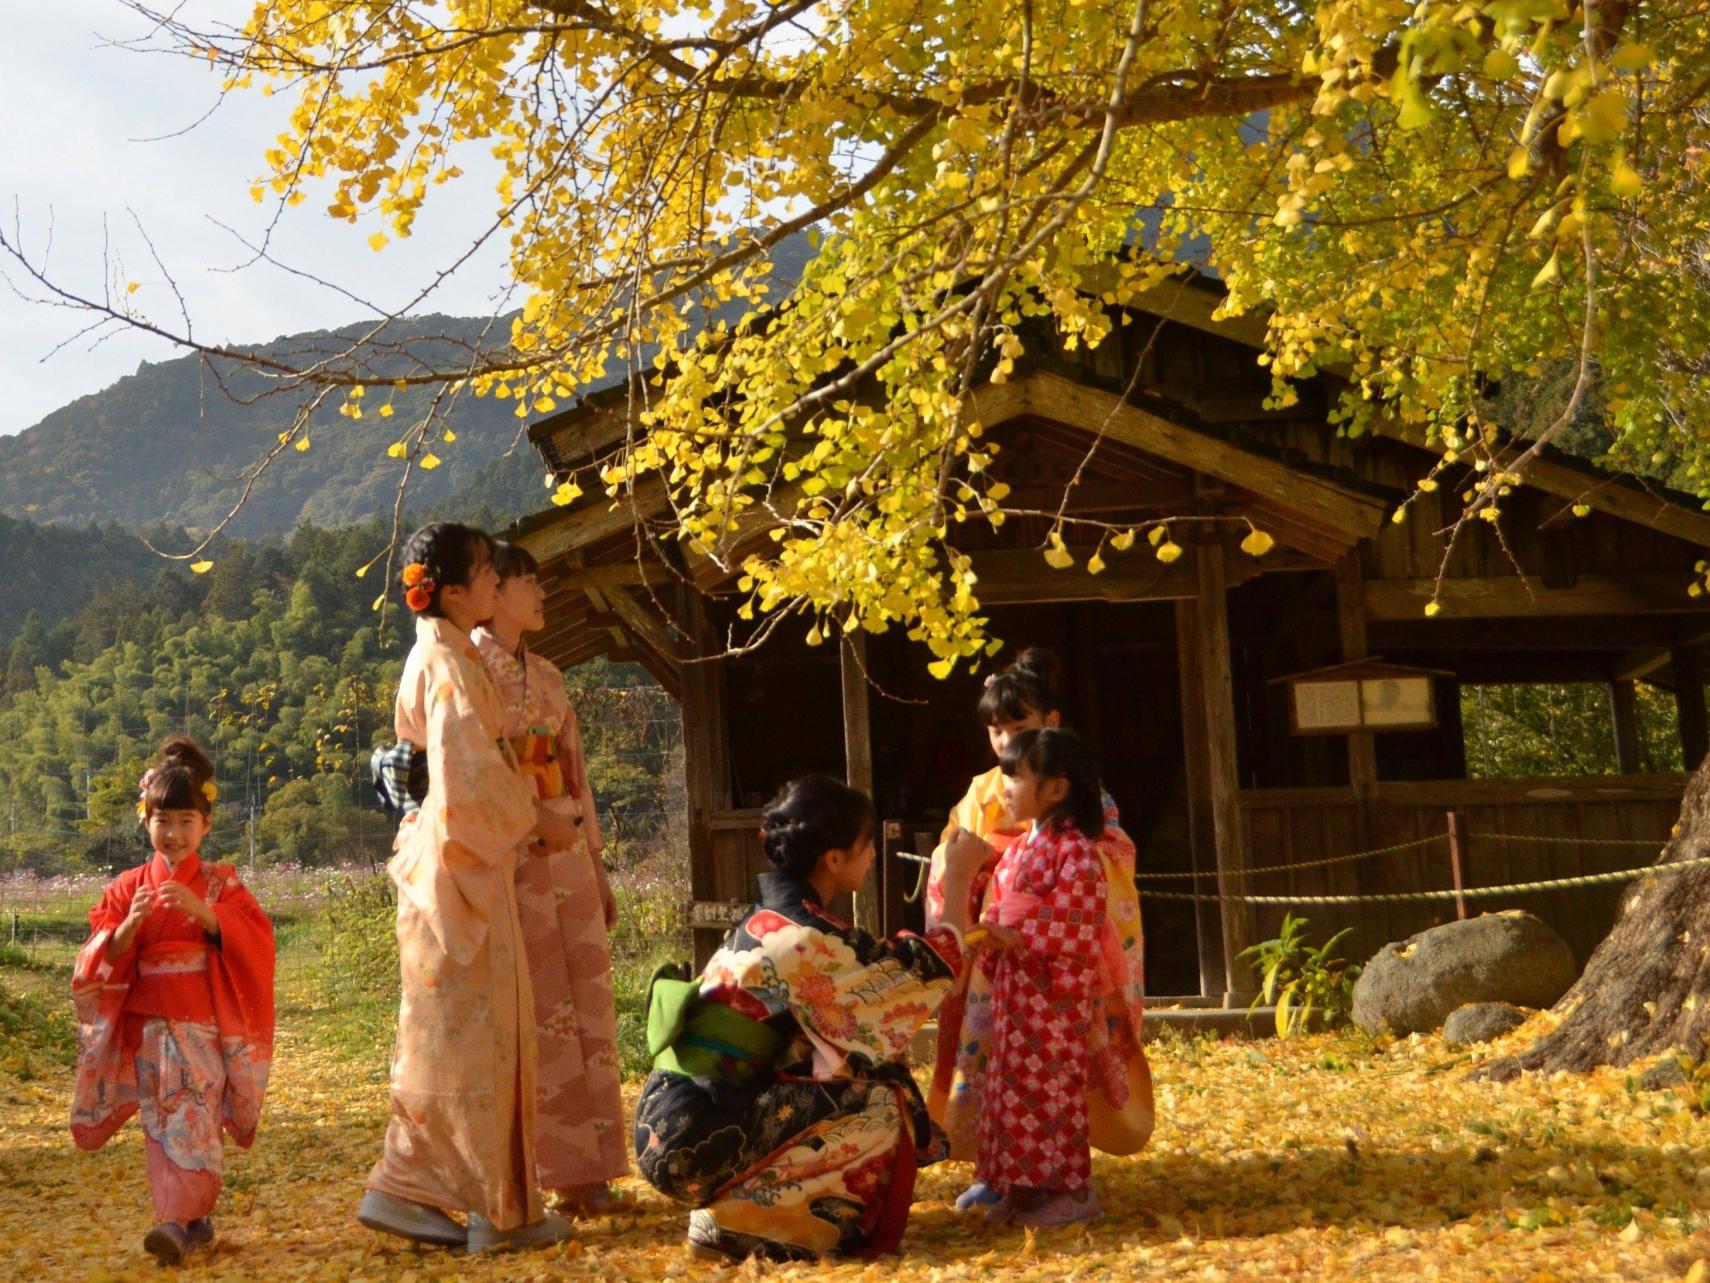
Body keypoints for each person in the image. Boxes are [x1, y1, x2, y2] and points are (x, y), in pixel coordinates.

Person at [633, 775, 987, 1262]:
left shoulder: (766, 921)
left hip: (674, 1117)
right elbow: (916, 975)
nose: (872, 856)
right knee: (882, 1104)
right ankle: (744, 1225)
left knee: (862, 1073)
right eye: (866, 846)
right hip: (696, 1132)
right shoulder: (808, 937)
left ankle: (745, 1212)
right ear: (835, 858)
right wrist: (959, 876)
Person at [357, 522, 581, 1254]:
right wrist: (538, 815)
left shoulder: (445, 653)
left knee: (446, 1040)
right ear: (452, 591)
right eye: (485, 572)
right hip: (458, 871)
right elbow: (469, 780)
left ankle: (409, 1189)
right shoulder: (448, 663)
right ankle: (488, 1209)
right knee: (476, 1042)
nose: (494, 581)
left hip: (448, 863)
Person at [925, 647, 1153, 1208]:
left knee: (1046, 1077)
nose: (1004, 742)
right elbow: (950, 856)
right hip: (993, 957)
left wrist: (1021, 918)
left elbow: (1108, 861)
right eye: (995, 730)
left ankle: (1056, 1182)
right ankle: (996, 1167)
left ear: (1051, 722)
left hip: (1053, 963)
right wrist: (964, 874)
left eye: (1017, 727)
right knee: (991, 1063)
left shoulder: (1075, 794)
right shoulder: (985, 790)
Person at [70, 736, 276, 1266]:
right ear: (146, 821)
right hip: (149, 1020)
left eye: (187, 821)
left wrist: (206, 913)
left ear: (206, 825)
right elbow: (99, 957)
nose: (175, 833)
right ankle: (173, 1220)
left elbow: (257, 944)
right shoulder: (126, 887)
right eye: (164, 821)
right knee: (162, 1119)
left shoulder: (220, 884)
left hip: (204, 1020)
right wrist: (129, 927)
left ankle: (190, 1217)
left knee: (197, 1116)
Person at [473, 541, 629, 1216]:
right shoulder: (466, 670)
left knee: (590, 1008)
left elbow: (576, 773)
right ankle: (536, 1172)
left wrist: (596, 862)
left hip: (567, 849)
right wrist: (530, 815)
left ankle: (590, 1173)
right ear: (494, 590)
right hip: (510, 857)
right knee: (535, 1013)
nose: (539, 594)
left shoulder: (553, 676)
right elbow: (470, 772)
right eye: (527, 582)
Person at [973, 727, 1109, 1227]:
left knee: (1049, 1089)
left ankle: (1073, 1193)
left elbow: (1080, 914)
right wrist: (993, 934)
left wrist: (1020, 933)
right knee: (1011, 1088)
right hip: (1017, 987)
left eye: (1015, 777)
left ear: (1056, 788)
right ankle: (1024, 1189)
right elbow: (1003, 905)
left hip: (1052, 994)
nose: (1005, 787)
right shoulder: (1020, 848)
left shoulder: (1074, 849)